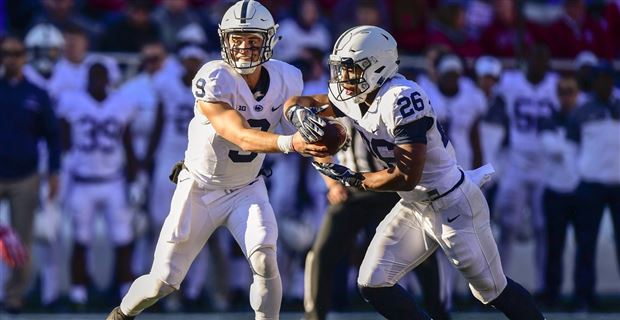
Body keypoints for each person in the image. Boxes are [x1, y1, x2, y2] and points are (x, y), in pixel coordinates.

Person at [284, 25, 545, 319]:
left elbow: (407, 175)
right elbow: (302, 102)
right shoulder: (355, 94)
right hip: (413, 204)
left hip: (452, 204)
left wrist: (354, 178)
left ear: (377, 67)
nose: (343, 77)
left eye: (350, 69)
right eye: (340, 69)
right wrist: (298, 113)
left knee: (492, 290)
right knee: (372, 283)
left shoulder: (402, 98)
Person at [106, 1, 329, 319]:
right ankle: (121, 313)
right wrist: (291, 142)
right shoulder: (214, 77)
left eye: (251, 39)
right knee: (163, 282)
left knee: (266, 257)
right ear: (224, 39)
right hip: (200, 188)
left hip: (247, 187)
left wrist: (339, 107)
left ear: (269, 40)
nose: (242, 48)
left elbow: (303, 106)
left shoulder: (287, 77)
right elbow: (236, 133)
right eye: (236, 39)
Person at [304, 118, 450, 320]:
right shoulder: (336, 102)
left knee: (423, 252)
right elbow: (318, 145)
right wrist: (333, 184)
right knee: (322, 252)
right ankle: (314, 317)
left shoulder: (391, 100)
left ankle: (440, 313)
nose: (347, 87)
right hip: (352, 191)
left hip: (393, 188)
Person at [58, 62, 138, 308]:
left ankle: (125, 291)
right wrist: (63, 167)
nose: (97, 81)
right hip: (83, 181)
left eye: (101, 76)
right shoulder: (72, 102)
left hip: (113, 181)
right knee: (81, 239)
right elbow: (63, 138)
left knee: (123, 238)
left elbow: (128, 141)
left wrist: (135, 179)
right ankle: (78, 293)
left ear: (109, 79)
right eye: (94, 76)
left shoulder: (121, 103)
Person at [0, 36, 60, 314]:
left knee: (21, 239)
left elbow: (52, 136)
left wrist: (54, 172)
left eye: (16, 53)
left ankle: (14, 295)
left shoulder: (37, 93)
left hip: (25, 175)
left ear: (25, 56)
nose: (11, 58)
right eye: (6, 53)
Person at [567, 62, 620, 312]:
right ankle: (583, 298)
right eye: (600, 79)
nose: (605, 84)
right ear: (594, 82)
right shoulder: (582, 111)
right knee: (585, 244)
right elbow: (570, 148)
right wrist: (580, 174)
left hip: (618, 185)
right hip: (591, 185)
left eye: (609, 79)